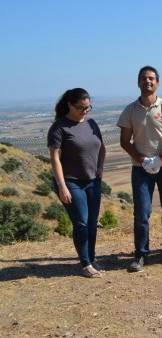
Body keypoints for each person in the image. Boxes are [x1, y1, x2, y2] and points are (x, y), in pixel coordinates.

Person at [117, 66, 162, 272]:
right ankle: (140, 255)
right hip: (140, 167)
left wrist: (161, 157)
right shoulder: (130, 110)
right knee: (141, 212)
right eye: (144, 78)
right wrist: (142, 159)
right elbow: (124, 140)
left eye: (151, 78)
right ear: (138, 83)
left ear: (158, 83)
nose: (147, 81)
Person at [48, 88, 106, 278]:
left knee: (91, 223)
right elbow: (55, 159)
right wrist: (62, 186)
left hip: (92, 181)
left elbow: (101, 147)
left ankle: (91, 257)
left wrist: (100, 168)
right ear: (70, 105)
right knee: (81, 222)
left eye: (88, 107)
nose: (85, 111)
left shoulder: (91, 123)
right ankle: (85, 263)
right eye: (81, 108)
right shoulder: (59, 127)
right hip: (71, 182)